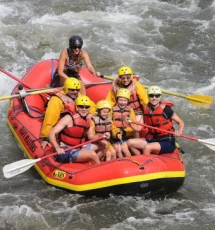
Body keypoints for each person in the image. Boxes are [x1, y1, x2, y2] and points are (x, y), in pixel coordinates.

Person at [127, 86, 184, 155]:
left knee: (147, 147)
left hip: (167, 140)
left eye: (157, 96)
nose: (154, 98)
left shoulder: (166, 109)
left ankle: (146, 164)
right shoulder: (146, 109)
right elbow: (138, 128)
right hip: (154, 139)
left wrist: (179, 131)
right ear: (148, 96)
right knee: (130, 143)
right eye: (151, 96)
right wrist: (130, 123)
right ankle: (140, 161)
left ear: (160, 97)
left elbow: (180, 122)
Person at [48, 95, 105, 165]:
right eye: (81, 106)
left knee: (105, 145)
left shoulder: (88, 119)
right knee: (92, 154)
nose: (84, 109)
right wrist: (57, 147)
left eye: (86, 107)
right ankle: (97, 168)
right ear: (77, 107)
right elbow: (51, 133)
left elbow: (91, 136)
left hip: (79, 148)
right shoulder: (69, 118)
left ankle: (91, 165)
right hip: (65, 150)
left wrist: (99, 136)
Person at [40, 78, 96, 149]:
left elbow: (92, 106)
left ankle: (88, 140)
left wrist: (91, 114)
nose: (75, 92)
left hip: (79, 127)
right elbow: (50, 118)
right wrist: (46, 137)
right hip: (66, 128)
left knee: (91, 122)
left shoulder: (80, 97)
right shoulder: (57, 100)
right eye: (72, 90)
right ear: (66, 89)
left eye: (77, 90)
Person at [105, 66, 149, 137]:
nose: (125, 80)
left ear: (131, 77)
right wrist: (104, 111)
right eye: (123, 78)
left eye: (128, 78)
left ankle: (135, 143)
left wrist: (147, 114)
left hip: (137, 112)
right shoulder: (115, 87)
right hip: (122, 110)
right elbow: (109, 101)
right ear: (120, 78)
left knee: (135, 127)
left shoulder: (136, 85)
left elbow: (145, 101)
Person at [111, 88, 138, 158]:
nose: (122, 102)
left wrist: (124, 132)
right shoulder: (112, 110)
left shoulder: (130, 110)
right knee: (118, 149)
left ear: (128, 101)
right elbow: (110, 125)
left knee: (124, 148)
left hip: (127, 136)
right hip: (115, 137)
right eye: (121, 100)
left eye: (125, 100)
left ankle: (132, 162)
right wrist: (116, 133)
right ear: (117, 100)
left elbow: (133, 126)